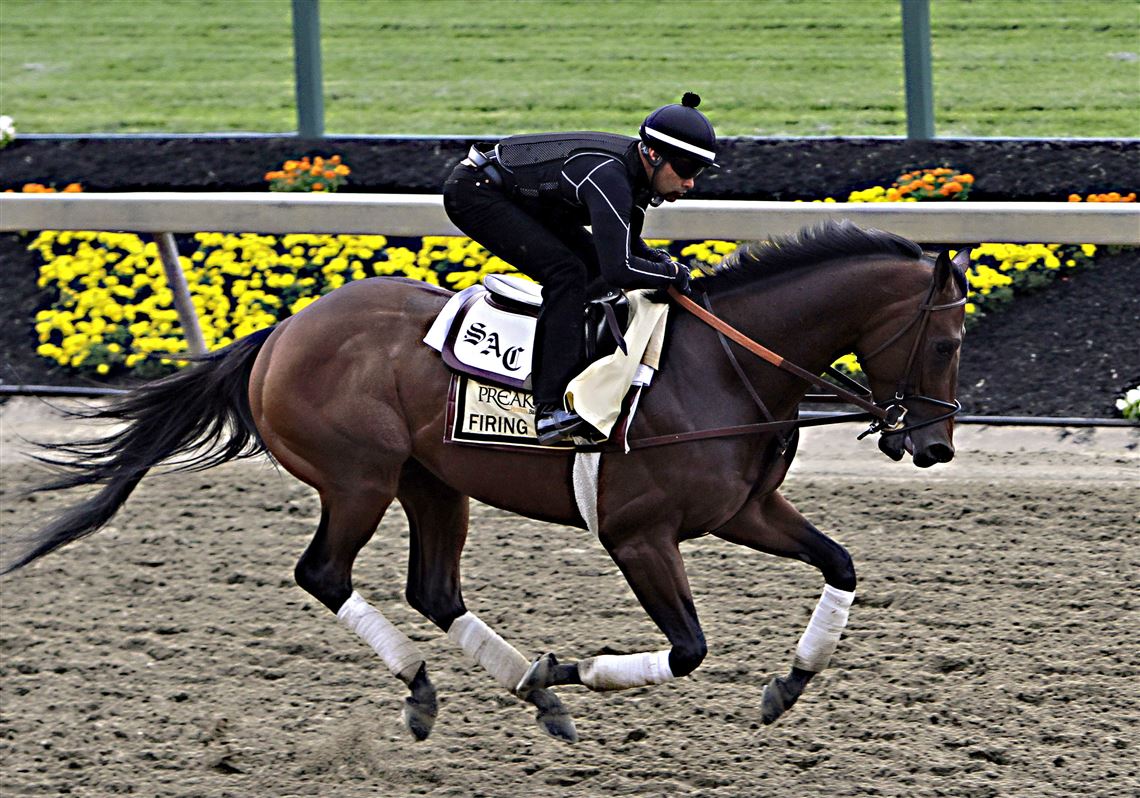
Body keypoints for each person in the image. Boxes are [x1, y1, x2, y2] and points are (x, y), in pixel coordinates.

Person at [443, 92, 717, 445]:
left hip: (520, 197)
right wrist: (674, 275)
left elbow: (628, 250)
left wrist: (663, 264)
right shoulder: (610, 177)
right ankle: (548, 409)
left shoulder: (632, 178)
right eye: (686, 169)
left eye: (699, 171)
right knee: (567, 274)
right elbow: (623, 269)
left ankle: (576, 369)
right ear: (653, 153)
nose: (691, 182)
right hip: (476, 191)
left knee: (592, 273)